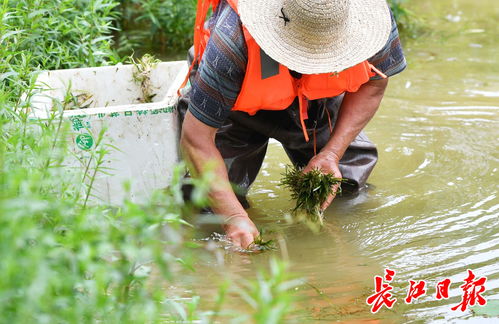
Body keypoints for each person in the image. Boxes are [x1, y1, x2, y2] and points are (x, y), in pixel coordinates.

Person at [177, 0, 406, 249]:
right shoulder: (230, 42)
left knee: (345, 185)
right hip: (234, 104)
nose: (314, 57)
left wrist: (331, 154)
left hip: (315, 100)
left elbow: (374, 83)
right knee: (206, 207)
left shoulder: (372, 23)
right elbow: (196, 139)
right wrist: (233, 218)